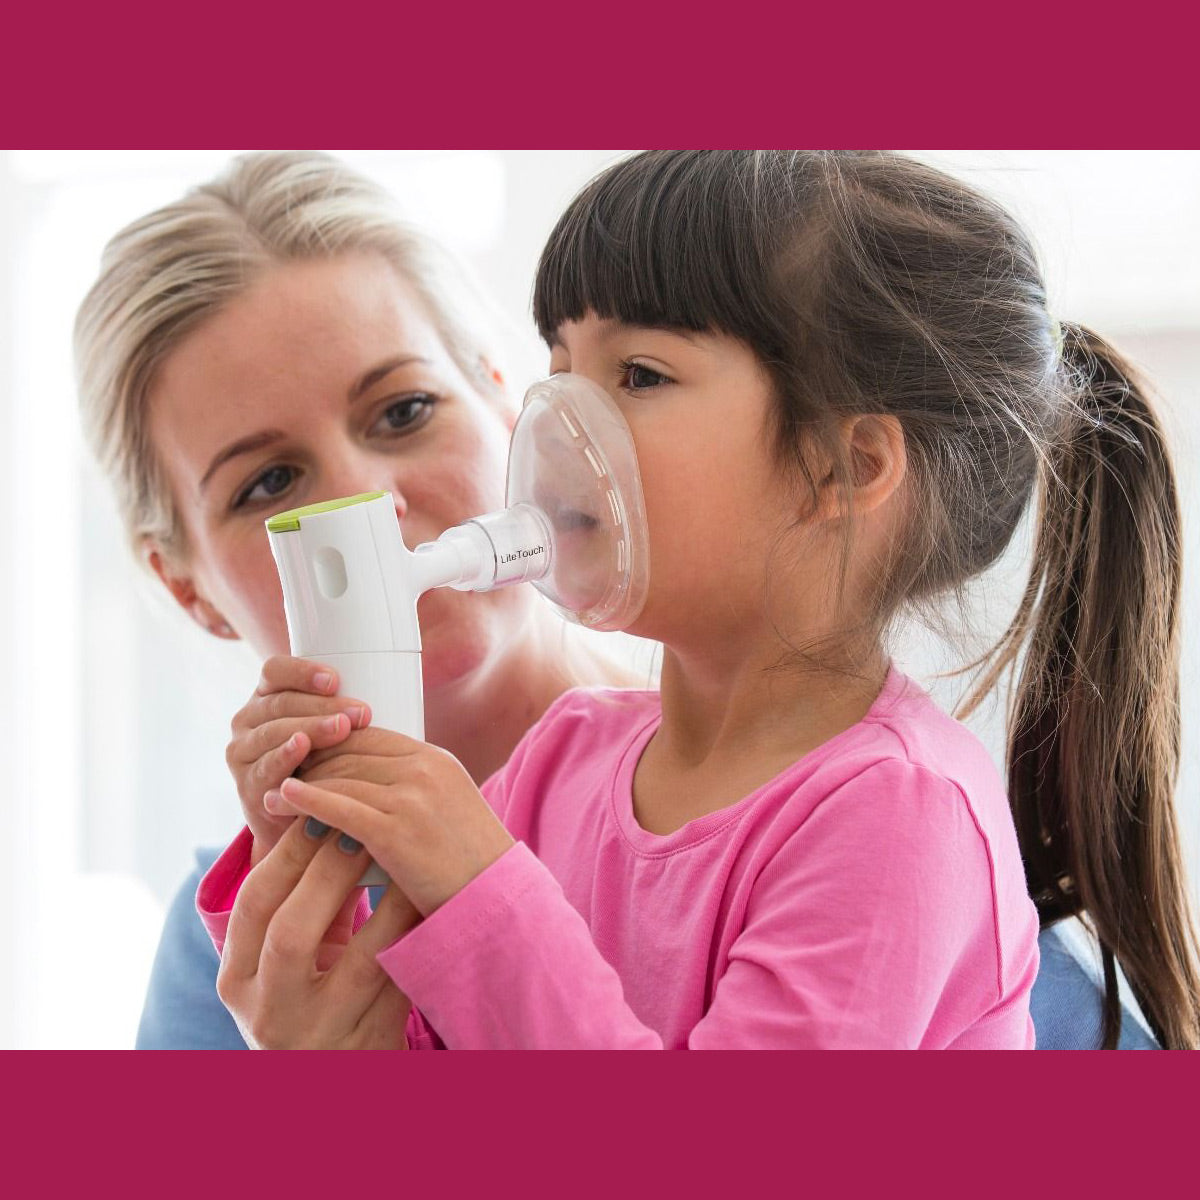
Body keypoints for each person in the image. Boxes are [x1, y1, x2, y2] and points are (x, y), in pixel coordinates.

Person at [194, 149, 1200, 1050]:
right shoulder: (556, 765)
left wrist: (477, 891)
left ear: (840, 468)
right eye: (557, 371)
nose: (556, 426)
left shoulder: (900, 818)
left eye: (637, 374)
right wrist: (313, 877)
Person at [74, 150, 637, 1050]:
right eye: (268, 483)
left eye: (404, 410)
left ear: (504, 404)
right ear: (191, 594)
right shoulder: (235, 959)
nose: (368, 508)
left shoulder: (776, 800)